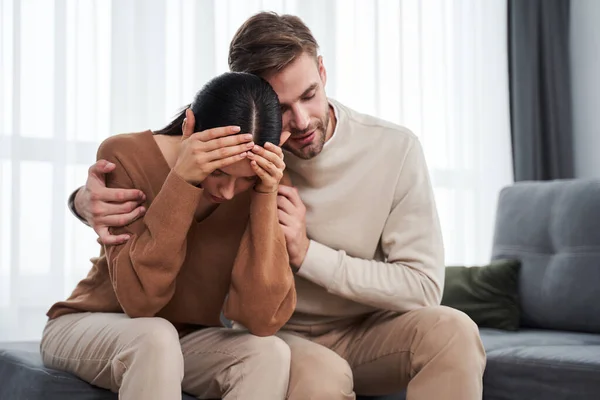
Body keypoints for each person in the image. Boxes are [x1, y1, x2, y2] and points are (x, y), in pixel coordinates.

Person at [69, 12, 487, 400]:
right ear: (254, 102)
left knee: (454, 330)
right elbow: (161, 162)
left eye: (310, 95)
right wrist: (83, 200)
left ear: (323, 72)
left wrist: (307, 254)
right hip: (279, 333)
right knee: (320, 373)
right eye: (282, 109)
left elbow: (424, 287)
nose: (303, 121)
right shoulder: (246, 162)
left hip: (370, 330)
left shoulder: (393, 149)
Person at [41, 72, 297, 400]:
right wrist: (183, 180)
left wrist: (264, 194)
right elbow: (140, 301)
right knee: (155, 336)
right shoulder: (124, 154)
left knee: (269, 353)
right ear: (190, 128)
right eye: (217, 171)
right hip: (91, 322)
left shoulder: (267, 177)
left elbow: (263, 320)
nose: (230, 192)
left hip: (182, 340)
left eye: (244, 180)